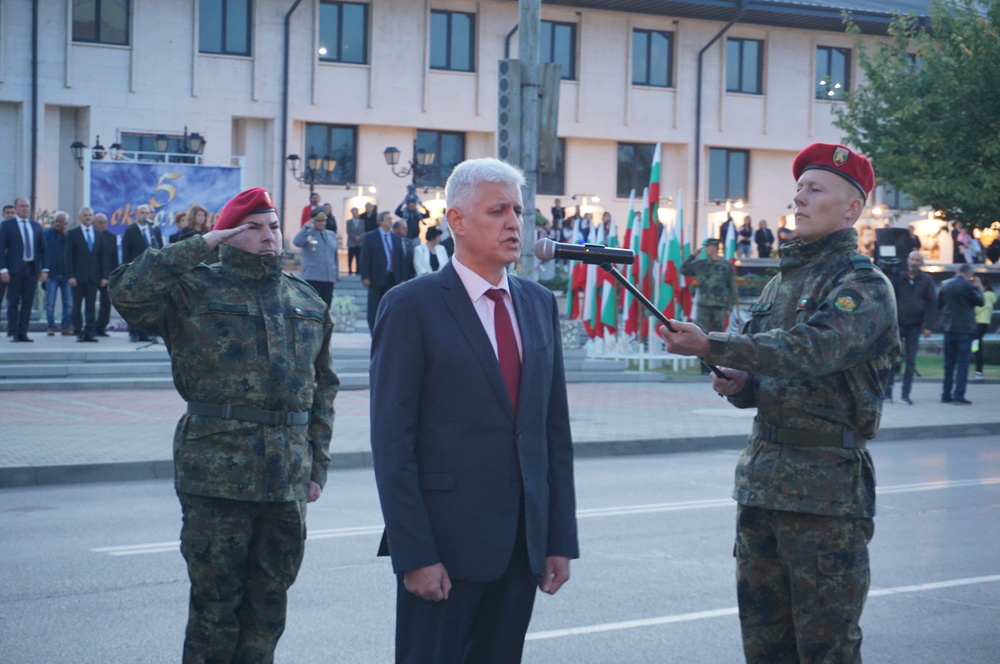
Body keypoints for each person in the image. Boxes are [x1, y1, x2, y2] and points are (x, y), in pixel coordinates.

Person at [660, 142, 899, 663]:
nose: (799, 198)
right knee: (764, 647)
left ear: (851, 207)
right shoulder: (778, 284)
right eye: (798, 188)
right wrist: (740, 382)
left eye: (815, 189)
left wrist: (712, 344)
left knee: (824, 649)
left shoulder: (861, 284)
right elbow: (770, 376)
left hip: (825, 494)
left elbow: (809, 350)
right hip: (763, 485)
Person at [109, 186, 338, 663]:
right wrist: (204, 242)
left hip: (286, 476)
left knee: (269, 609)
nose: (268, 237)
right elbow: (127, 290)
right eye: (252, 228)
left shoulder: (306, 300)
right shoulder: (194, 289)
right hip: (218, 472)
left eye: (272, 226)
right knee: (216, 610)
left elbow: (323, 387)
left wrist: (318, 463)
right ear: (227, 235)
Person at [370, 158, 578, 664]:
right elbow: (392, 442)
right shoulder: (411, 306)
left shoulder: (537, 303)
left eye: (519, 211)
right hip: (445, 548)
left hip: (520, 548)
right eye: (498, 211)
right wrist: (415, 554)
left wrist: (558, 538)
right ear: (457, 221)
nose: (514, 224)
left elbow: (553, 431)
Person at [888, 251, 937, 404]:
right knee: (891, 358)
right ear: (907, 260)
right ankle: (887, 392)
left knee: (911, 360)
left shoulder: (927, 280)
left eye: (918, 260)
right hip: (897, 324)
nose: (914, 262)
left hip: (915, 325)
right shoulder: (898, 278)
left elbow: (932, 304)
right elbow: (889, 298)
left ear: (921, 263)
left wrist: (928, 326)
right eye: (912, 259)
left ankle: (905, 393)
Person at [0, 197, 47, 342]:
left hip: (31, 269)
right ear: (16, 208)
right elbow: (1, 249)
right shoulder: (7, 225)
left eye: (27, 206)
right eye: (22, 206)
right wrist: (3, 269)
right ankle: (13, 331)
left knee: (27, 302)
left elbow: (43, 249)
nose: (25, 208)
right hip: (14, 269)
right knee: (13, 301)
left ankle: (23, 332)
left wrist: (44, 269)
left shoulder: (36, 226)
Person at [938, 263, 984, 404]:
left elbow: (939, 304)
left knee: (949, 363)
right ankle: (959, 396)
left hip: (949, 328)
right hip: (965, 329)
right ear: (969, 274)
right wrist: (978, 286)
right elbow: (980, 301)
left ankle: (946, 395)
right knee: (962, 364)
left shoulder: (945, 285)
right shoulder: (969, 286)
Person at [66, 207, 111, 343]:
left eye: (90, 215)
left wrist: (104, 276)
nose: (88, 217)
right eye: (85, 215)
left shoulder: (98, 234)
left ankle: (90, 331)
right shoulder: (73, 234)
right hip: (78, 277)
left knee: (91, 306)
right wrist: (70, 276)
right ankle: (79, 331)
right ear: (80, 217)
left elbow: (103, 257)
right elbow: (68, 257)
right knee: (77, 305)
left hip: (93, 277)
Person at [680, 238, 738, 339]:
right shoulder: (700, 264)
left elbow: (732, 287)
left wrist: (730, 307)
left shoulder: (726, 265)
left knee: (718, 335)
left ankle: (716, 354)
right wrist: (692, 256)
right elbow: (683, 270)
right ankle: (702, 355)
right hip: (703, 304)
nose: (705, 249)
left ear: (714, 248)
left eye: (707, 247)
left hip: (720, 305)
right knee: (701, 333)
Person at [359, 211, 406, 333]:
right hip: (376, 278)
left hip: (393, 278)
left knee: (391, 306)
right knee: (374, 307)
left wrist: (402, 278)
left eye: (391, 219)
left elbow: (401, 259)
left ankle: (389, 332)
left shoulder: (396, 238)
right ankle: (374, 332)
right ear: (380, 221)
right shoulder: (370, 237)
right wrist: (365, 276)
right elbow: (365, 258)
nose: (390, 221)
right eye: (387, 219)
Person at [122, 204, 163, 342]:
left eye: (147, 212)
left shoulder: (154, 230)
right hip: (135, 272)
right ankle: (133, 332)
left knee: (149, 304)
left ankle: (147, 332)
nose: (145, 215)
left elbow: (160, 249)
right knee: (134, 303)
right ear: (136, 215)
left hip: (151, 273)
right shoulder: (130, 231)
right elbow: (126, 253)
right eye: (142, 212)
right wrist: (127, 271)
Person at [292, 210, 339, 306]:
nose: (322, 223)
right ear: (314, 221)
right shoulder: (308, 234)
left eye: (324, 220)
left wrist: (336, 274)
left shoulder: (331, 235)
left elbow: (334, 257)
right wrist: (305, 227)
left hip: (328, 278)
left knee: (326, 306)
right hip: (313, 277)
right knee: (312, 306)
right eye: (319, 221)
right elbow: (297, 242)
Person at [42, 211, 73, 336]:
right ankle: (50, 326)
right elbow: (42, 254)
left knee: (68, 302)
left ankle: (66, 326)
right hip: (52, 274)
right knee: (50, 302)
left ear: (66, 223)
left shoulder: (70, 236)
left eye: (61, 221)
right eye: (56, 221)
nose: (58, 224)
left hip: (66, 274)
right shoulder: (46, 235)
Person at [93, 213, 118, 337]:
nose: (103, 225)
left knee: (106, 303)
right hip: (92, 274)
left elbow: (114, 258)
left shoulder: (111, 237)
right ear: (94, 223)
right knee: (90, 302)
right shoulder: (91, 235)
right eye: (100, 222)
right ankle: (90, 326)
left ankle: (101, 327)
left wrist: (112, 276)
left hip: (106, 275)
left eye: (104, 222)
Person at [972, 274, 995, 381]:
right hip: (981, 324)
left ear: (984, 286)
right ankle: (978, 370)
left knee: (976, 347)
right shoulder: (988, 296)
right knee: (976, 346)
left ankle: (979, 371)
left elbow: (978, 308)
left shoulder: (985, 296)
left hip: (979, 324)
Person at [346, 207, 365, 275]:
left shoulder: (362, 221)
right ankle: (350, 270)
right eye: (355, 212)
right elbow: (348, 231)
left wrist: (360, 237)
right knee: (350, 257)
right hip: (352, 242)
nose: (356, 214)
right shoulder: (349, 222)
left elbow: (363, 231)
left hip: (359, 242)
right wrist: (354, 237)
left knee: (358, 257)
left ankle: (358, 270)